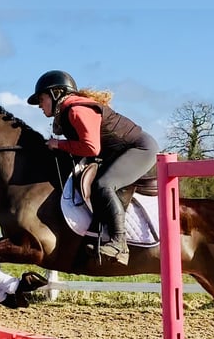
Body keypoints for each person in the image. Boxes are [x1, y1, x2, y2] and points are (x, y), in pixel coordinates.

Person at [27, 70, 159, 265]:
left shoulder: (76, 110)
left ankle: (118, 244)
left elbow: (91, 148)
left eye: (42, 98)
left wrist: (59, 145)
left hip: (140, 149)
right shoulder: (67, 112)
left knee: (104, 184)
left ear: (56, 94)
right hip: (119, 152)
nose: (39, 105)